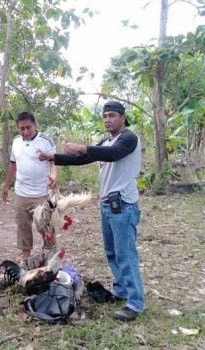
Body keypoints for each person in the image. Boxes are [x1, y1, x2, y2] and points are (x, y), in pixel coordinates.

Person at [38, 101, 144, 322]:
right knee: (112, 252)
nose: (107, 119)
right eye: (105, 115)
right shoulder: (106, 141)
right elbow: (84, 158)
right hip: (107, 204)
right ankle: (120, 290)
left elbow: (113, 154)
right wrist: (54, 158)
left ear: (123, 117)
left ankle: (135, 303)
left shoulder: (128, 138)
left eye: (112, 115)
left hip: (123, 205)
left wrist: (82, 147)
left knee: (126, 254)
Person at [1, 112, 57, 265]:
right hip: (21, 192)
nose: (25, 132)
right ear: (17, 128)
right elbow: (13, 165)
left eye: (28, 128)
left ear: (35, 125)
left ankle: (51, 259)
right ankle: (25, 262)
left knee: (45, 227)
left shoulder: (46, 141)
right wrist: (6, 185)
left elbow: (54, 162)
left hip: (42, 193)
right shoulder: (16, 142)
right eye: (21, 128)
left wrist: (53, 176)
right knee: (23, 226)